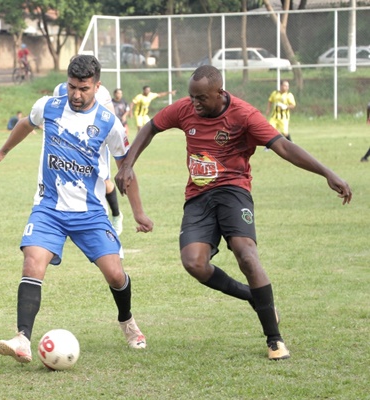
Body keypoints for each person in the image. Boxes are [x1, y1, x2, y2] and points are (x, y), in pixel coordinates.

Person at [115, 65, 353, 361]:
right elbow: (151, 126)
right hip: (198, 196)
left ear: (220, 92)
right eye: (191, 97)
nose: (195, 103)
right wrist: (128, 164)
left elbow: (285, 148)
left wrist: (327, 173)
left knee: (247, 256)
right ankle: (253, 296)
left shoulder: (245, 115)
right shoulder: (186, 109)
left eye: (201, 97)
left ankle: (274, 340)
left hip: (233, 192)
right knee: (194, 263)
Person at [0, 55, 154, 365]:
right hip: (48, 208)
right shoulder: (48, 106)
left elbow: (126, 169)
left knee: (115, 274)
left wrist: (138, 211)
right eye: (72, 87)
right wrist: (2, 151)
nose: (76, 94)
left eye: (84, 88)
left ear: (96, 86)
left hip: (90, 212)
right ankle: (22, 339)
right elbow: (26, 123)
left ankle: (127, 321)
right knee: (32, 262)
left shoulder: (108, 122)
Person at [54, 81, 124, 234]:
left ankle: (116, 215)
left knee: (103, 180)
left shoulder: (102, 90)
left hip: (92, 142)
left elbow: (110, 116)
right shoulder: (59, 89)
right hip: (68, 142)